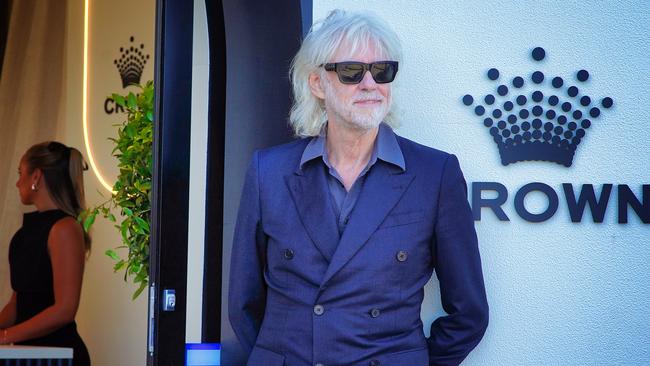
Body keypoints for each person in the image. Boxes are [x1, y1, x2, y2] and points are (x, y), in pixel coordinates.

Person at [229, 9, 488, 366]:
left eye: (382, 70)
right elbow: (244, 303)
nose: (370, 84)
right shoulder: (269, 171)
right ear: (318, 83)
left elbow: (469, 314)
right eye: (352, 71)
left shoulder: (434, 174)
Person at [0, 141, 91, 365]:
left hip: (58, 355)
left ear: (36, 177)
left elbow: (65, 309)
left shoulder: (65, 228)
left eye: (21, 173)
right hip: (28, 354)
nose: (17, 182)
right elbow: (19, 300)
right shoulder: (26, 233)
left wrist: (6, 336)